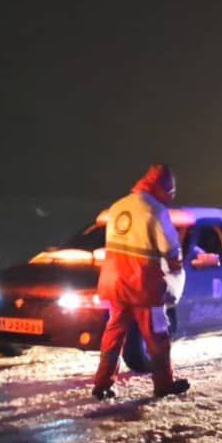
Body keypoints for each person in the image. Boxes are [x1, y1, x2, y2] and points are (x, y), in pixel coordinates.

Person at [92, 163, 190, 400]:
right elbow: (170, 248)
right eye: (171, 192)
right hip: (143, 285)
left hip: (114, 281)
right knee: (157, 335)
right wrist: (176, 269)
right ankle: (164, 384)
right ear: (163, 188)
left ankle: (102, 384)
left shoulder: (117, 207)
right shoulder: (154, 210)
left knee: (113, 334)